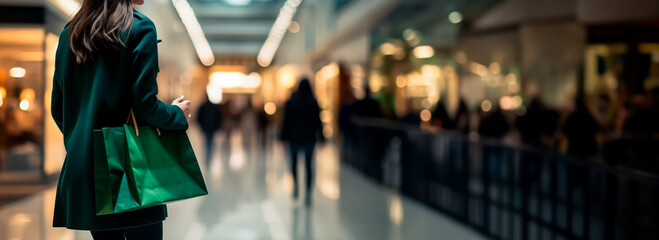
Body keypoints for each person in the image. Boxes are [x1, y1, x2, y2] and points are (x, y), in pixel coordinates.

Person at [50, 0, 191, 239]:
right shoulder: (139, 27)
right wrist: (176, 113)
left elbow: (58, 108)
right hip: (129, 166)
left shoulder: (70, 33)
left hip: (85, 166)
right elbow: (145, 106)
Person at [280, 78, 324, 206]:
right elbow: (318, 123)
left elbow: (286, 122)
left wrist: (283, 138)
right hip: (309, 138)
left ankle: (296, 186)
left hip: (294, 138)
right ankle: (308, 193)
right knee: (309, 166)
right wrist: (322, 138)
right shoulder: (313, 103)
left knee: (293, 164)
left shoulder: (291, 102)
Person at [197, 98, 222, 167]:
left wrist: (201, 126)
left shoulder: (203, 106)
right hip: (212, 128)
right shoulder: (214, 106)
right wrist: (217, 127)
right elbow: (219, 117)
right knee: (210, 143)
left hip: (206, 128)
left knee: (207, 142)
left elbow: (198, 117)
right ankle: (208, 157)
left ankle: (207, 158)